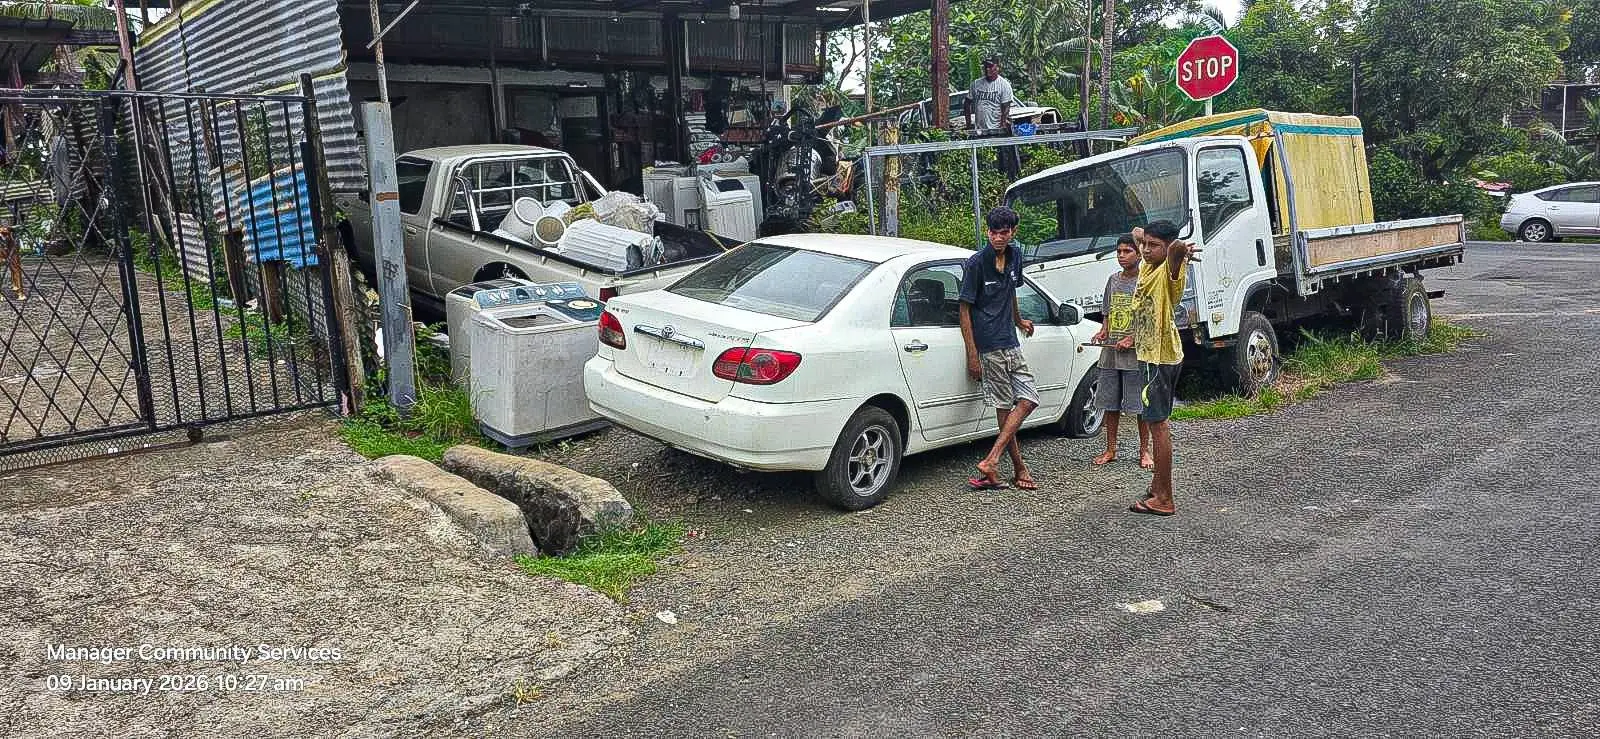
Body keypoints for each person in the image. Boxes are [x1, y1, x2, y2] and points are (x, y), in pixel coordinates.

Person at [960, 206, 1038, 491]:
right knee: (1005, 409)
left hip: (1010, 340)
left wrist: (1019, 320)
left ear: (1013, 232)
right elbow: (964, 310)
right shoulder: (976, 263)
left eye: (1003, 233)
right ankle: (1017, 467)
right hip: (989, 346)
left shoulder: (1015, 255)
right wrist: (972, 355)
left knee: (1029, 399)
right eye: (993, 233)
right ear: (988, 232)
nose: (998, 238)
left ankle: (992, 460)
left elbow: (1010, 291)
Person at [1127, 221, 1200, 516]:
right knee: (1155, 422)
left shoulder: (1170, 269)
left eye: (1153, 246)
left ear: (1167, 249)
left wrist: (1180, 251)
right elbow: (1136, 232)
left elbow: (1176, 249)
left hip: (1159, 358)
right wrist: (1149, 242)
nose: (1145, 249)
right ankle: (1157, 487)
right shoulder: (1148, 263)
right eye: (1145, 245)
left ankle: (1164, 497)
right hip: (1151, 355)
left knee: (1158, 426)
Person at [1090, 234, 1151, 469]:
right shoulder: (1113, 280)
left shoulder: (1145, 281)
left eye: (1127, 251)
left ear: (1139, 254)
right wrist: (1103, 331)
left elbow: (1149, 318)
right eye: (1119, 251)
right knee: (1110, 403)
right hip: (1111, 353)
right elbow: (1107, 312)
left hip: (1135, 354)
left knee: (1139, 406)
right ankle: (1111, 449)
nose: (1122, 256)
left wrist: (1131, 338)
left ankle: (1144, 451)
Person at [963, 57, 1020, 179]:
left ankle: (999, 180)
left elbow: (1006, 107)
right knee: (981, 161)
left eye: (990, 67)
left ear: (997, 68)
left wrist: (1002, 124)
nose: (987, 69)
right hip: (979, 131)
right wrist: (968, 124)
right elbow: (967, 103)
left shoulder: (1004, 85)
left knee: (998, 161)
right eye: (986, 67)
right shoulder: (976, 84)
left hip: (996, 130)